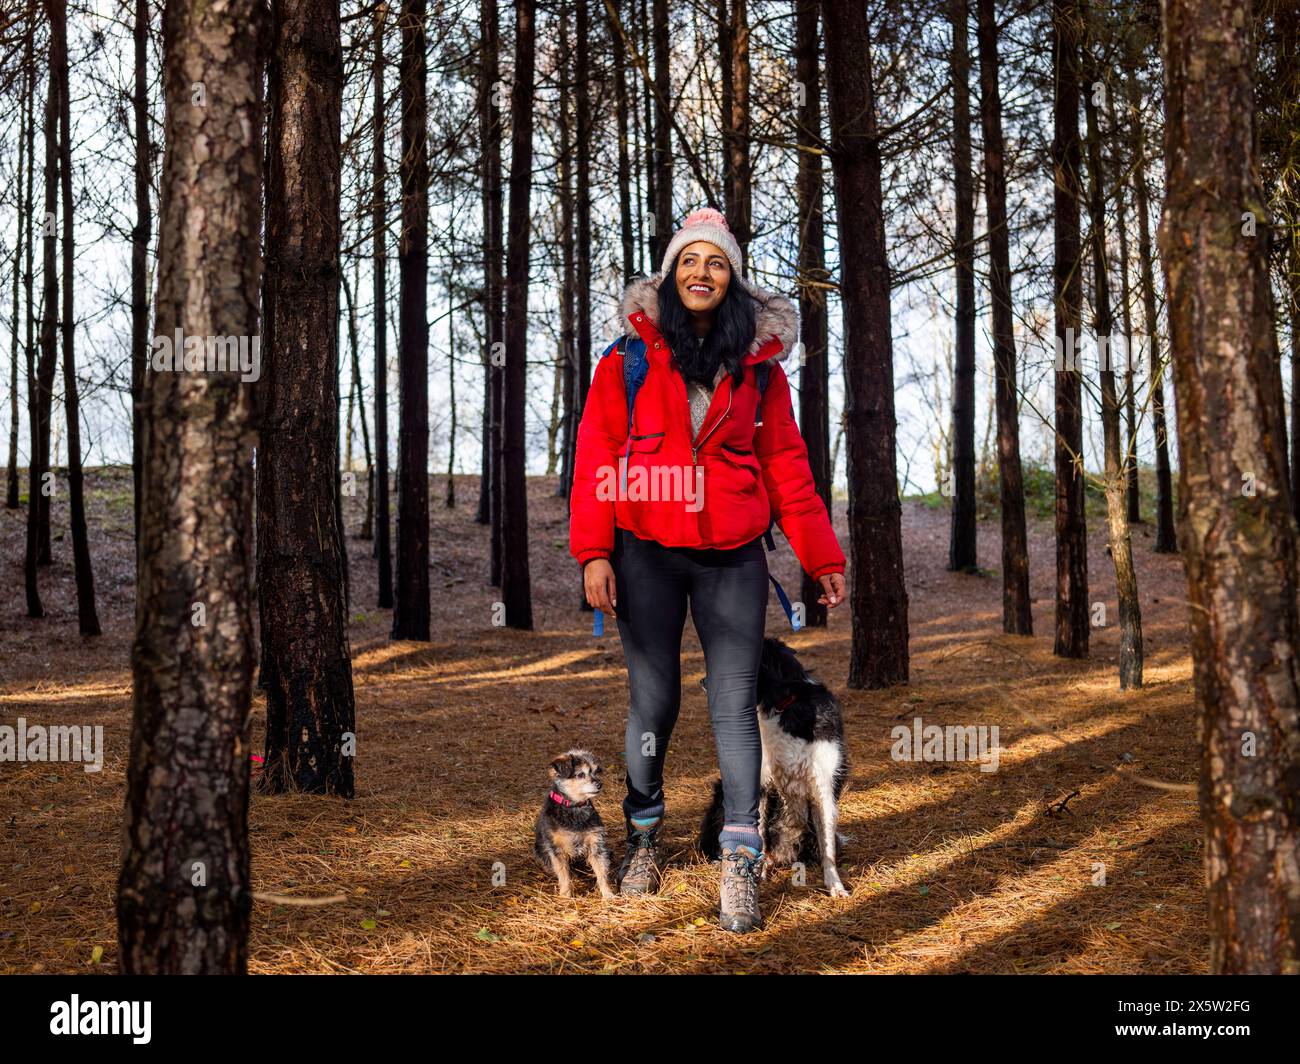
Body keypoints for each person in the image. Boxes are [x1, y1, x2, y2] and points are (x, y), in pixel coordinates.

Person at [569, 208, 846, 932]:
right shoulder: (625, 359)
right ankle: (643, 841)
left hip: (732, 557)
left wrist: (821, 555)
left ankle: (740, 863)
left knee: (734, 704)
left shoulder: (758, 369)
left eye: (716, 263)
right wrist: (594, 552)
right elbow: (597, 457)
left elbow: (786, 464)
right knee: (654, 706)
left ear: (733, 279)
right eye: (689, 261)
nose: (701, 273)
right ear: (669, 275)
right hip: (644, 551)